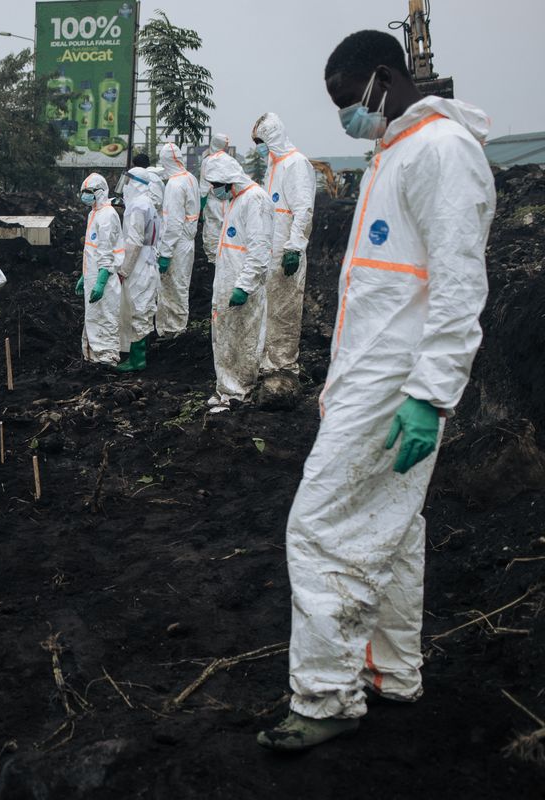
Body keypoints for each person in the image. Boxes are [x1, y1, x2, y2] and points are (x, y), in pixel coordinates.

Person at [256, 30, 495, 752]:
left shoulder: (441, 153)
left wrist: (432, 393)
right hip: (373, 376)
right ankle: (391, 670)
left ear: (383, 79)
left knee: (321, 526)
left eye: (347, 102)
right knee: (394, 528)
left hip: (398, 382)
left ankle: (326, 696)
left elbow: (460, 286)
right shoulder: (396, 151)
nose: (344, 118)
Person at [203, 156, 273, 411]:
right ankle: (225, 389)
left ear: (229, 181)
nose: (214, 189)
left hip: (242, 285)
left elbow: (259, 249)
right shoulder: (236, 199)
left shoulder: (255, 200)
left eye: (216, 184)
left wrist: (244, 285)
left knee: (243, 338)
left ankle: (239, 392)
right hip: (227, 282)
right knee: (224, 338)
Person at [251, 112, 316, 378]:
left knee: (285, 309)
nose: (259, 147)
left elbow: (303, 210)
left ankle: (283, 364)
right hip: (270, 249)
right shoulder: (274, 165)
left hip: (286, 249)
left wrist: (295, 247)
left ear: (273, 137)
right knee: (270, 308)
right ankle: (268, 358)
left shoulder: (296, 164)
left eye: (261, 141)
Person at [73, 173, 123, 366]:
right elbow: (91, 250)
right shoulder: (93, 214)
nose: (85, 195)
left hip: (105, 278)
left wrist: (101, 280)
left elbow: (107, 251)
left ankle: (108, 359)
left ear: (100, 192)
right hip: (93, 275)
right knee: (93, 317)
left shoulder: (108, 215)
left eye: (89, 191)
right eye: (83, 191)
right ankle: (93, 357)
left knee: (106, 317)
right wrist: (85, 276)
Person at [116, 166, 161, 372]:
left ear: (135, 183)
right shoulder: (147, 203)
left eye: (127, 181)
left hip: (139, 264)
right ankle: (138, 355)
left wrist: (123, 270)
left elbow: (133, 243)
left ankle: (137, 359)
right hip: (148, 261)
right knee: (142, 308)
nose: (124, 186)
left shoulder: (137, 207)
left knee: (138, 309)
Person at [155, 142, 200, 337]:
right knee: (180, 284)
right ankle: (175, 327)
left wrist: (165, 253)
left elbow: (173, 224)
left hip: (176, 243)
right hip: (186, 241)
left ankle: (173, 330)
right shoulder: (190, 178)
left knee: (173, 287)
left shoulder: (174, 184)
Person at [198, 133, 233, 266]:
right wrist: (201, 208)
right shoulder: (208, 161)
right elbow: (204, 187)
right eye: (225, 145)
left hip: (226, 203)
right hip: (213, 203)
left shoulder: (229, 161)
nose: (226, 148)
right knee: (212, 239)